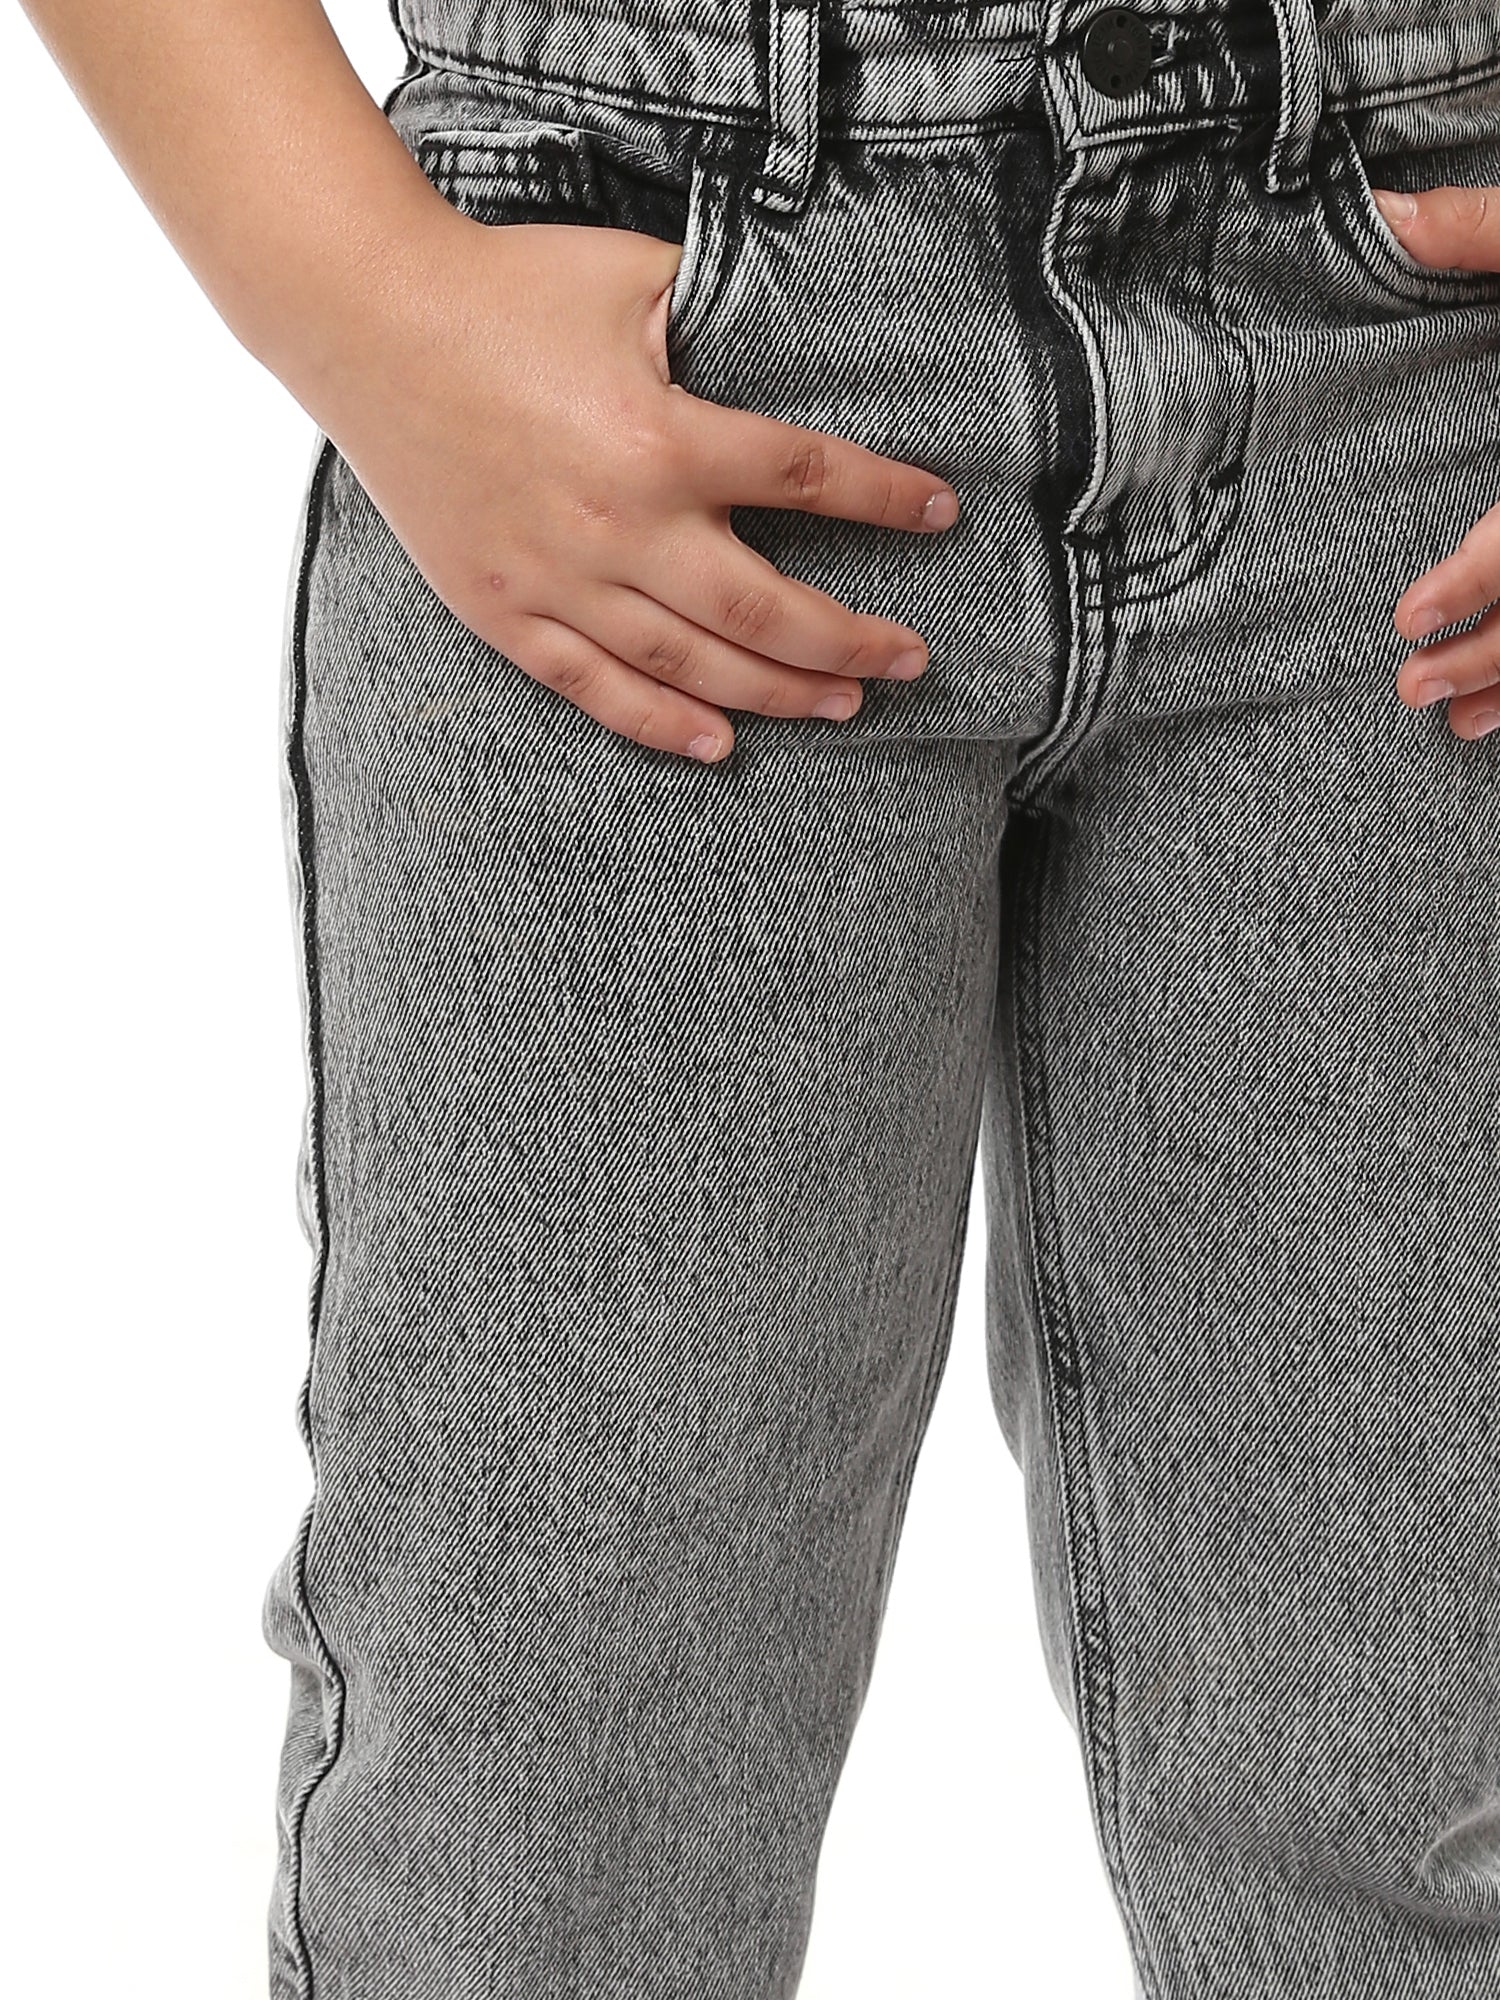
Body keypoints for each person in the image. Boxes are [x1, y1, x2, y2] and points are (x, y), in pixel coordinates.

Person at [20, 0, 1500, 1995]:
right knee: (549, 1833)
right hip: (645, 339)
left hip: (1420, 349)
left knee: (1421, 1806)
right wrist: (363, 300)